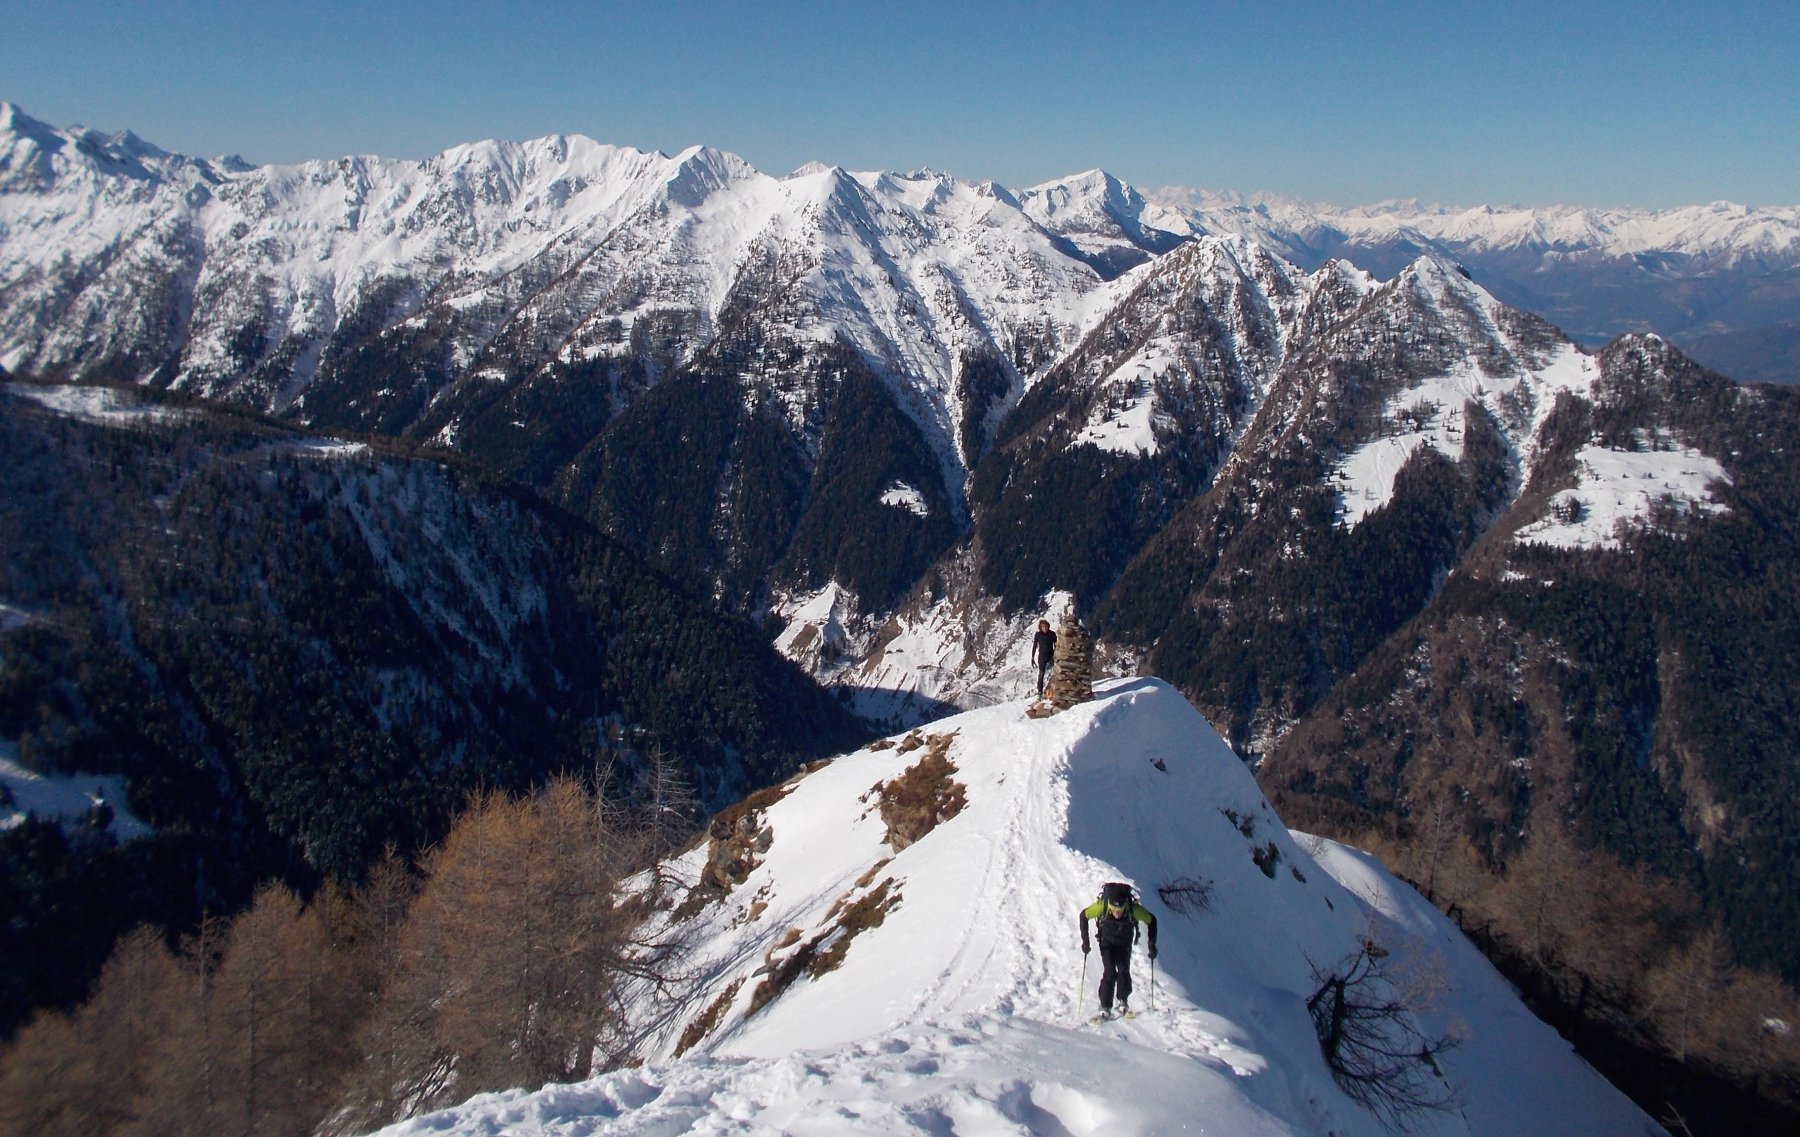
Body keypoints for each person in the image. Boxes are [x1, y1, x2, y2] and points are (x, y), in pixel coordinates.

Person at [1079, 882, 1157, 1018]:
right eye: (1114, 910)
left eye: (1120, 910)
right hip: (1107, 943)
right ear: (1109, 905)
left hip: (1124, 944)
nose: (1117, 913)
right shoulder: (1101, 907)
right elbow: (1083, 916)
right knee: (1109, 971)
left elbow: (1152, 921)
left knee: (1123, 970)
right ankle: (1105, 1005)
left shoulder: (1133, 909)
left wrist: (1151, 944)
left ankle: (1123, 1001)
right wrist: (1085, 941)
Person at [1031, 619, 1056, 698]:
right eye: (1042, 627)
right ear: (1040, 628)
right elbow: (1035, 646)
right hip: (1042, 657)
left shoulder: (1052, 634)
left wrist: (1056, 654)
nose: (1044, 628)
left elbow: (1056, 644)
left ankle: (1051, 690)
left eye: (1045, 626)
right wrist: (1032, 657)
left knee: (1053, 673)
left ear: (1048, 626)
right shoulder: (1038, 635)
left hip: (1051, 656)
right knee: (1041, 674)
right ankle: (1040, 692)